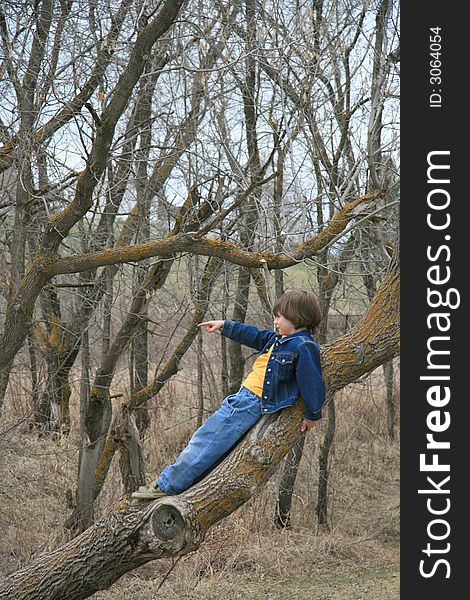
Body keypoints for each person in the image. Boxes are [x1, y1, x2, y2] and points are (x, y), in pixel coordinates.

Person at [132, 290, 326, 500]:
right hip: (244, 399)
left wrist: (312, 414)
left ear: (297, 318)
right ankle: (184, 488)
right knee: (214, 446)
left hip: (250, 402)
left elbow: (312, 382)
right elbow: (253, 335)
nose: (275, 321)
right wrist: (225, 325)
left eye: (279, 316)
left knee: (206, 440)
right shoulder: (280, 340)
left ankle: (167, 484)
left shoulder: (303, 346)